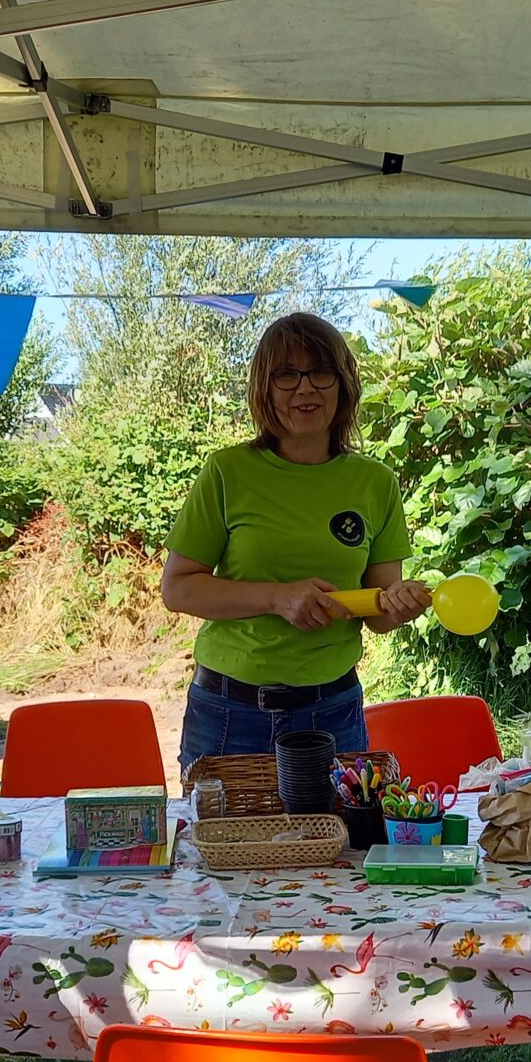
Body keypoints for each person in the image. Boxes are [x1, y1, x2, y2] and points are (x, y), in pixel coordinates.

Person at [161, 312, 430, 772]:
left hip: (333, 711)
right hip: (229, 712)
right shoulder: (227, 472)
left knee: (338, 845)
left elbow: (380, 614)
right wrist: (277, 598)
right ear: (264, 388)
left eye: (321, 373)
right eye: (286, 375)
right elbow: (178, 589)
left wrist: (400, 605)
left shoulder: (376, 483)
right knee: (223, 845)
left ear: (343, 385)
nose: (305, 389)